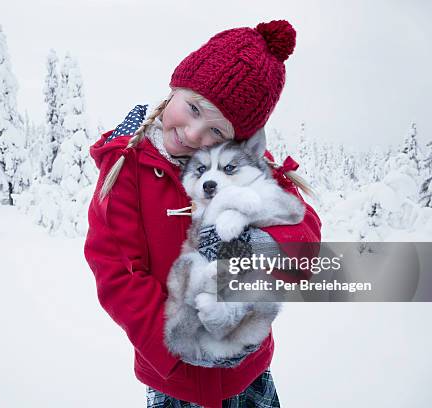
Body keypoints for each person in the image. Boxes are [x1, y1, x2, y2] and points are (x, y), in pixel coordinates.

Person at [84, 20, 321, 408]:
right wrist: (177, 343)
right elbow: (117, 271)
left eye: (216, 130)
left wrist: (264, 244)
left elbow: (305, 237)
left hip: (244, 371)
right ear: (176, 86)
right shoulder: (127, 166)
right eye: (193, 108)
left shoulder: (241, 166)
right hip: (174, 375)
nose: (194, 134)